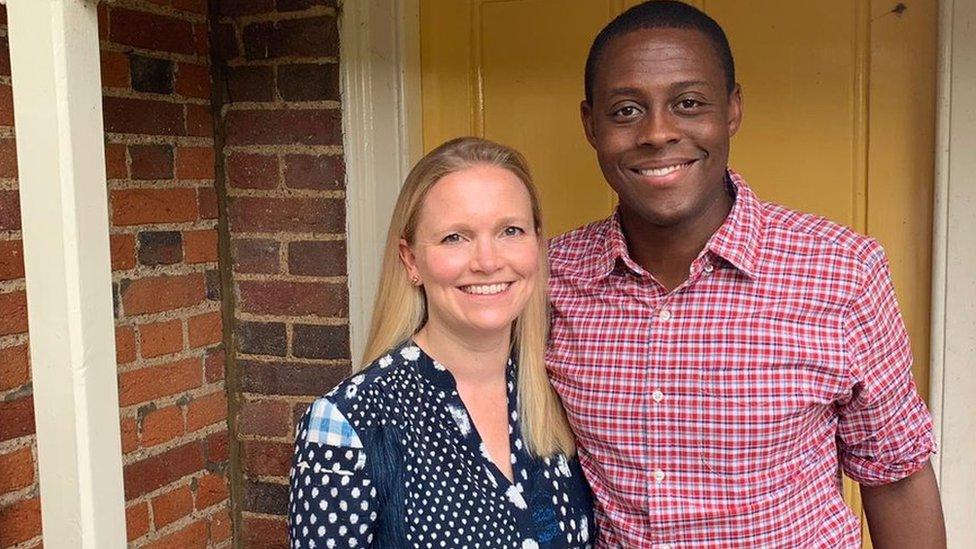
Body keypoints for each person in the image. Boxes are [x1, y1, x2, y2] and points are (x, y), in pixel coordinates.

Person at [546, 1, 945, 547]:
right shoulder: (550, 278)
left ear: (731, 110)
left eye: (688, 103)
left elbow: (896, 477)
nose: (657, 133)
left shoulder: (842, 270)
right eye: (626, 111)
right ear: (590, 124)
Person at [288, 137, 595, 548]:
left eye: (511, 230)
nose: (487, 261)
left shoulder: (564, 389)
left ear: (537, 245)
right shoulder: (349, 423)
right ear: (411, 260)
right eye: (455, 237)